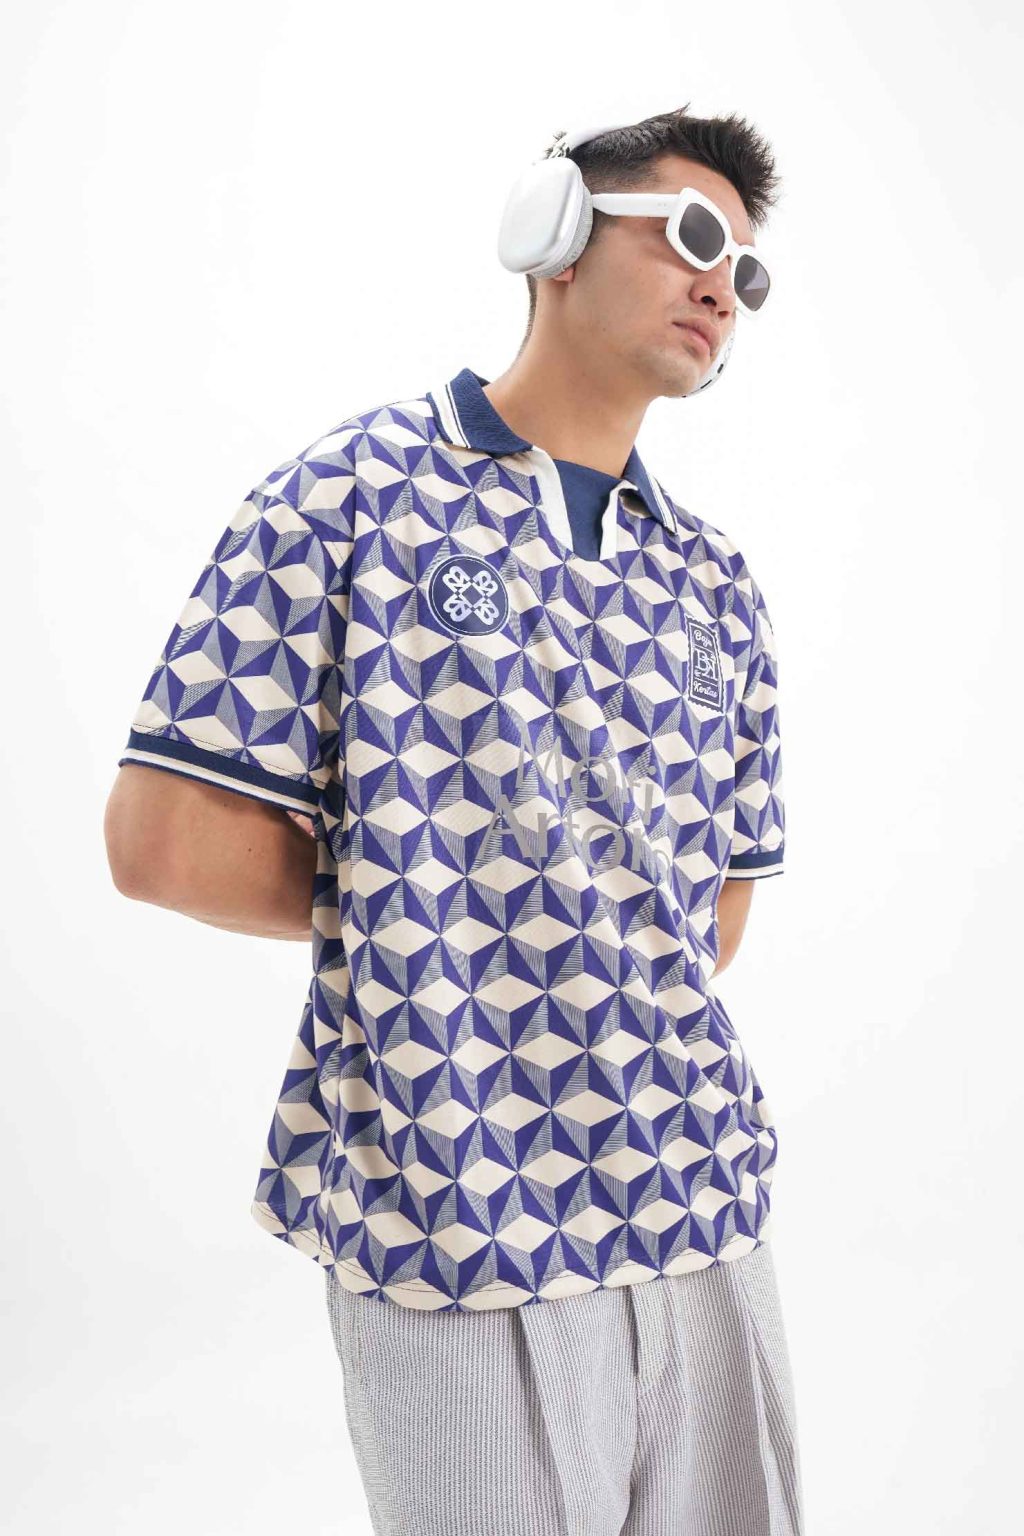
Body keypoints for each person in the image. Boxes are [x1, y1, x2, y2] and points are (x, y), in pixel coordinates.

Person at [104, 103, 803, 1536]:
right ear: (556, 233)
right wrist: (427, 913)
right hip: (455, 1201)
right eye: (689, 235)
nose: (721, 285)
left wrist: (497, 893)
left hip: (700, 1200)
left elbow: (716, 908)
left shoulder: (717, 585)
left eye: (745, 268)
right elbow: (163, 843)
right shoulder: (349, 500)